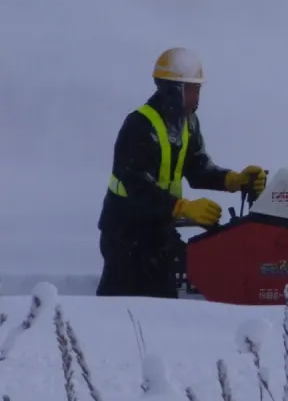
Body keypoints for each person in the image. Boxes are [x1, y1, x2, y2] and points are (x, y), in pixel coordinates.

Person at [95, 47, 268, 299]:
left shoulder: (188, 123)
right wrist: (181, 207)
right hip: (125, 233)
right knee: (117, 304)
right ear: (172, 90)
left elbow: (197, 168)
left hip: (159, 230)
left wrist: (233, 180)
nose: (197, 96)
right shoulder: (139, 125)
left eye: (198, 89)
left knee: (164, 298)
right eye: (192, 89)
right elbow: (137, 185)